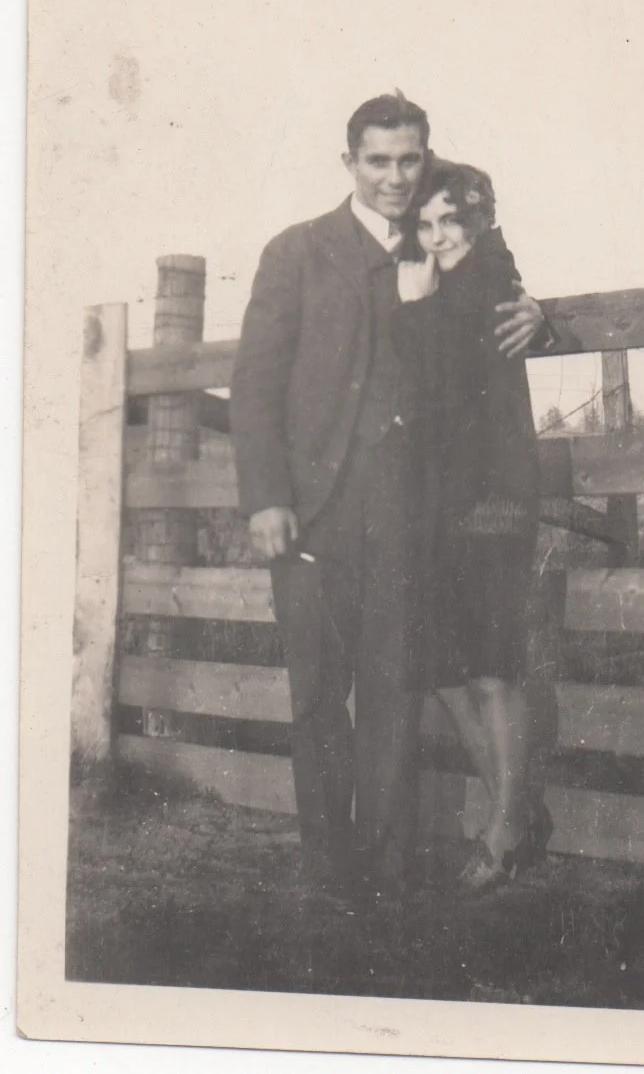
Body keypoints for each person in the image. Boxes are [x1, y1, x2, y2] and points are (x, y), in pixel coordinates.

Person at [230, 94, 547, 905]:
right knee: (315, 700)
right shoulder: (296, 252)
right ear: (349, 164)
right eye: (378, 160)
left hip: (412, 515)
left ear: (426, 156)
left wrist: (541, 317)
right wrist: (267, 498)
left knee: (392, 699)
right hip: (313, 513)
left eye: (409, 158)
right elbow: (256, 384)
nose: (396, 176)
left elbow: (498, 308)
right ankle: (330, 874)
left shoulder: (445, 239)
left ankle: (390, 871)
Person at [392, 159, 552, 894]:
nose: (436, 236)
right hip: (437, 502)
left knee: (487, 665)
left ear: (480, 220)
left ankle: (505, 827)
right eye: (423, 225)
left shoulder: (488, 279)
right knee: (445, 670)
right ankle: (514, 814)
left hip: (489, 497)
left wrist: (417, 305)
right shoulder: (448, 282)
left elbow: (443, 382)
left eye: (449, 220)